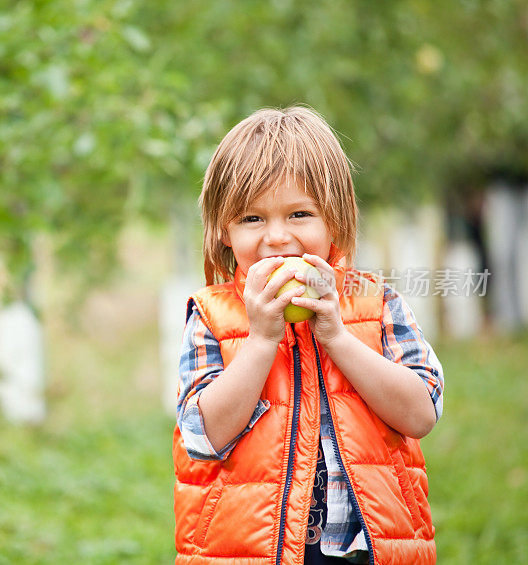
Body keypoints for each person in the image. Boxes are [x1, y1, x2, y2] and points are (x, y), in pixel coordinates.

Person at [173, 106, 443, 564]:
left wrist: (337, 336)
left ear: (333, 219)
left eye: (299, 214)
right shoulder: (213, 316)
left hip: (368, 551)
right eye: (252, 219)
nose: (277, 237)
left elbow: (421, 414)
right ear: (223, 230)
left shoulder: (376, 305)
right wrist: (260, 342)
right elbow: (203, 437)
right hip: (252, 551)